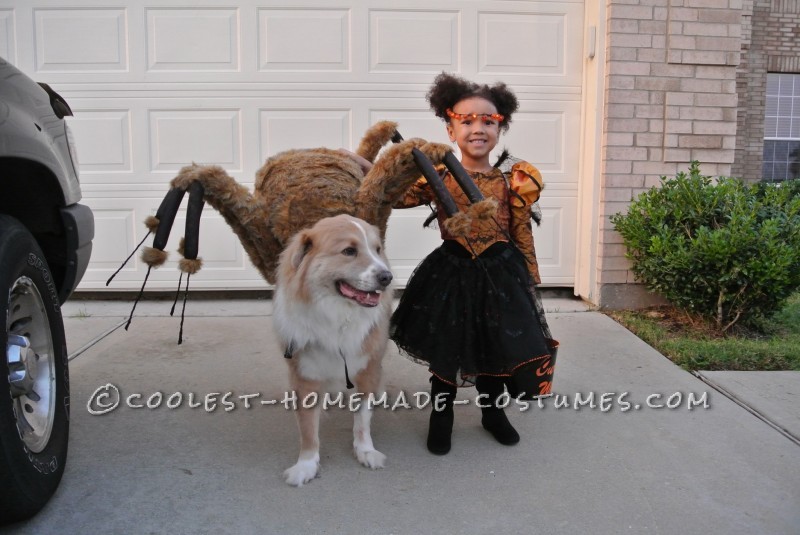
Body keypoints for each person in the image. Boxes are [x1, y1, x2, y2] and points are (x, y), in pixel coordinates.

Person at [390, 72, 555, 455]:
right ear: (450, 130)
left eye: (488, 121)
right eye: (466, 121)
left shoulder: (512, 180)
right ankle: (441, 416)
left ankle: (492, 413)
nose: (478, 128)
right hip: (452, 273)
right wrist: (390, 170)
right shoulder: (438, 176)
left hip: (501, 276)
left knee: (495, 350)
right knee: (448, 348)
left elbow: (521, 230)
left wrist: (529, 277)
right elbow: (395, 198)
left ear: (500, 128)